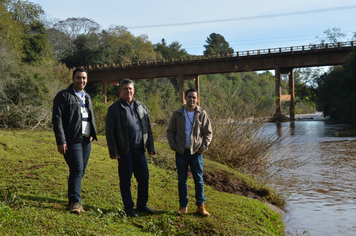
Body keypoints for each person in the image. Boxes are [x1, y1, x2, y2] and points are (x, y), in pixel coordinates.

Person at [105, 78, 155, 217]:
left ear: (134, 90)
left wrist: (150, 146)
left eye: (130, 88)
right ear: (120, 90)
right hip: (124, 151)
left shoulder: (141, 106)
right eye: (125, 88)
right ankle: (129, 208)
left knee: (144, 178)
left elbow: (148, 128)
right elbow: (110, 132)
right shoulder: (114, 108)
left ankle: (142, 204)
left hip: (140, 150)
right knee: (125, 181)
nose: (128, 91)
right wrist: (113, 151)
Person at [52, 67, 97, 215]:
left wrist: (92, 133)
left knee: (80, 171)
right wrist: (61, 140)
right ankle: (74, 202)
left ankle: (74, 197)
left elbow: (90, 116)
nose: (81, 80)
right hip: (72, 140)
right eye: (78, 77)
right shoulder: (63, 95)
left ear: (87, 80)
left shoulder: (87, 96)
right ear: (73, 79)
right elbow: (57, 119)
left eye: (84, 78)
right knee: (77, 169)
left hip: (86, 140)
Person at [167, 88, 213, 217]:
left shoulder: (202, 113)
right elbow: (170, 132)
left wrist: (202, 148)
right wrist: (174, 146)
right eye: (189, 97)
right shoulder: (177, 114)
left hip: (196, 153)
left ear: (197, 99)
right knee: (182, 180)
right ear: (185, 98)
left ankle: (201, 206)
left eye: (194, 97)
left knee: (198, 179)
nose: (192, 99)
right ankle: (183, 206)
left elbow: (208, 133)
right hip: (181, 152)